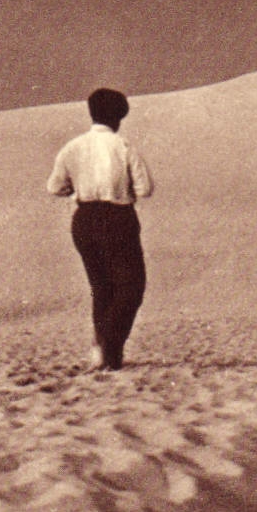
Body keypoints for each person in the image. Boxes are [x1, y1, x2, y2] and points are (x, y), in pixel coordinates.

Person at [47, 88, 154, 370]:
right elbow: (145, 189)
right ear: (118, 117)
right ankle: (106, 341)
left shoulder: (72, 147)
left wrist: (78, 188)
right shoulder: (124, 146)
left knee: (102, 288)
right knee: (131, 287)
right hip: (118, 218)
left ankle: (108, 356)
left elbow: (54, 187)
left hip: (84, 219)